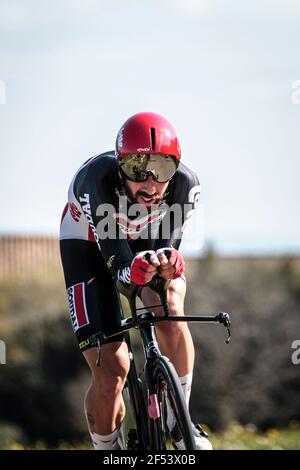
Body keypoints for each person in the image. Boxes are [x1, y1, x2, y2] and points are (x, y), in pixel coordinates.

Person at [60, 112, 212, 450]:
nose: (150, 183)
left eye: (162, 169)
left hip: (144, 236)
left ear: (177, 166)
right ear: (119, 166)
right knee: (112, 369)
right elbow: (118, 263)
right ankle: (107, 449)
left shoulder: (186, 185)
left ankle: (179, 419)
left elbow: (167, 250)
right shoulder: (96, 180)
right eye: (137, 170)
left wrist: (169, 263)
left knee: (170, 302)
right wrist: (134, 269)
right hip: (88, 246)